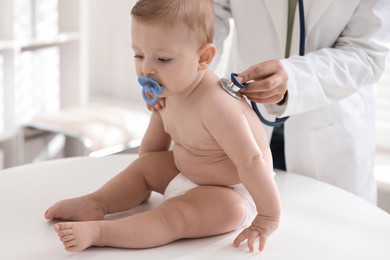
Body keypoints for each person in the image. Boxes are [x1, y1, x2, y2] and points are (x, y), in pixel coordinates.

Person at [44, 0, 281, 253]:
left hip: (232, 191)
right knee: (144, 166)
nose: (147, 68)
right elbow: (152, 152)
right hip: (187, 172)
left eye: (163, 58)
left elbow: (252, 162)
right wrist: (142, 179)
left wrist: (268, 218)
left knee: (176, 215)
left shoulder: (217, 104)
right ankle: (96, 202)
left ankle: (102, 232)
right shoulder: (171, 89)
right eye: (139, 55)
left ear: (203, 57)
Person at [213, 0, 390, 203]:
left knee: (321, 226)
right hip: (248, 120)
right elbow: (205, 15)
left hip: (327, 130)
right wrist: (187, 72)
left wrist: (296, 78)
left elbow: (367, 53)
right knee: (242, 220)